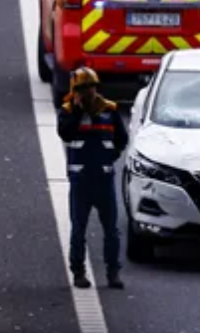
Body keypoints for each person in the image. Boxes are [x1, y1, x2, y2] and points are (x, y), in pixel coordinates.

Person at [56, 68, 126, 291]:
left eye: (91, 88)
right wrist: (78, 112)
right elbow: (65, 133)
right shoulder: (67, 112)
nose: (88, 93)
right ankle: (78, 272)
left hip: (104, 180)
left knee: (111, 231)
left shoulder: (110, 110)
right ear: (73, 91)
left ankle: (113, 273)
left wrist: (111, 155)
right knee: (78, 229)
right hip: (81, 182)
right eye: (82, 89)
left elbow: (122, 139)